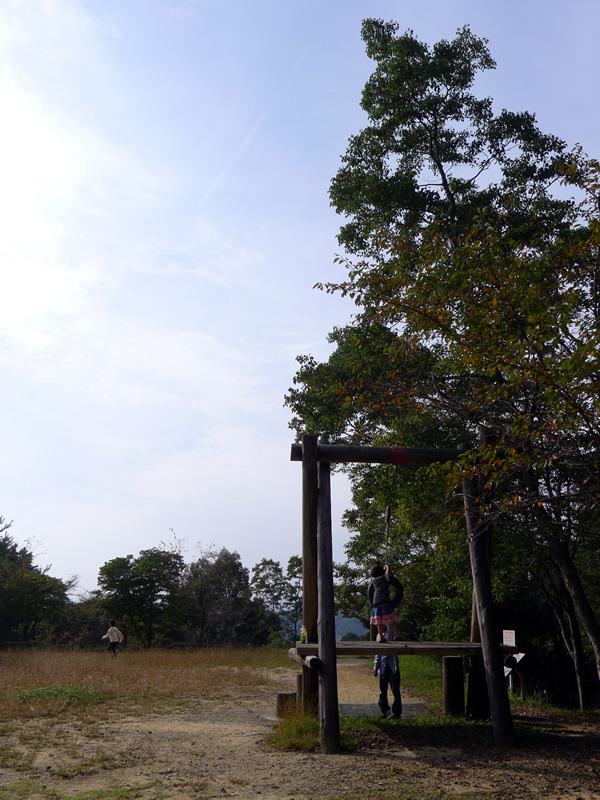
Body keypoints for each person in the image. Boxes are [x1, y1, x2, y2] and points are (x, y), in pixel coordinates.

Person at [368, 563, 403, 642]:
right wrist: (387, 567)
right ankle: (396, 635)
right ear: (382, 572)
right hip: (385, 603)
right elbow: (387, 572)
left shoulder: (373, 580)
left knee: (379, 622)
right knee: (393, 619)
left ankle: (381, 637)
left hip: (376, 603)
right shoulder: (385, 578)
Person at [373, 626, 403, 719]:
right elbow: (377, 654)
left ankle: (396, 712)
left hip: (392, 666)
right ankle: (384, 710)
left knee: (395, 690)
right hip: (383, 666)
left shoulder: (390, 634)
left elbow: (390, 624)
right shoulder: (378, 636)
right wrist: (375, 667)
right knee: (382, 691)